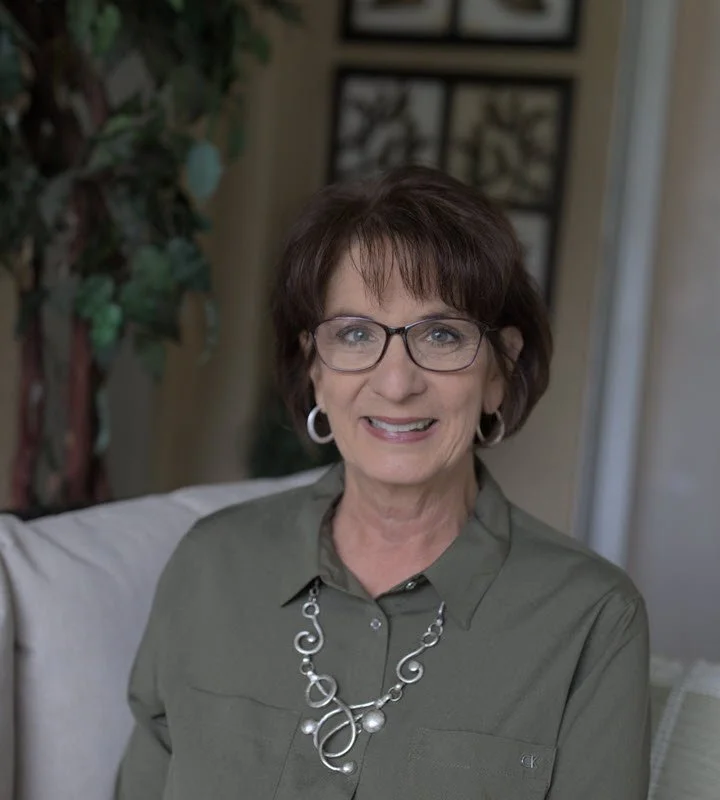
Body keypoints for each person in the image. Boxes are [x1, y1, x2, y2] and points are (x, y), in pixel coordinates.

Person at [115, 165, 650, 799]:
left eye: (442, 334)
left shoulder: (590, 616)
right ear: (315, 367)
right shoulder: (209, 565)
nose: (396, 384)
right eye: (356, 334)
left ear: (500, 371)